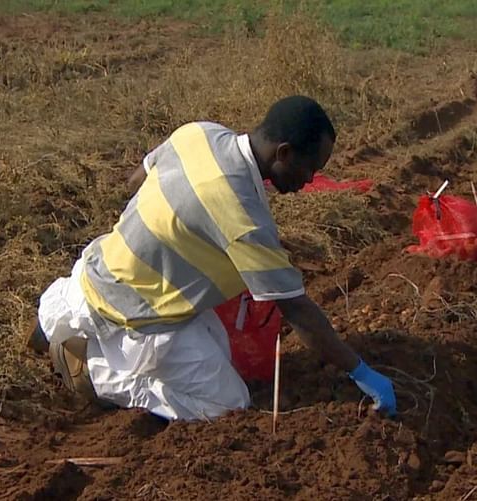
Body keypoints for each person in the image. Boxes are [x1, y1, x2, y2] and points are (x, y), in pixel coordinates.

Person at [27, 96, 396, 421]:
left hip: (103, 264)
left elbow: (137, 177)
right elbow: (296, 310)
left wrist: (172, 232)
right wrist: (361, 371)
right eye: (310, 168)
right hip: (144, 318)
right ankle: (94, 372)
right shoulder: (244, 219)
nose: (310, 180)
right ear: (283, 153)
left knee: (215, 339)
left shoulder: (199, 134)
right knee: (229, 405)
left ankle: (59, 322)